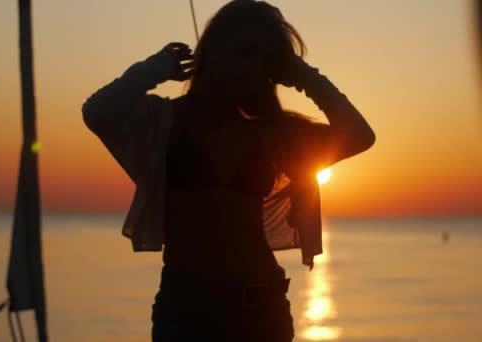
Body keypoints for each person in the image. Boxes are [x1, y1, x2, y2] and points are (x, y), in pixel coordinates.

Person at [82, 1, 375, 340]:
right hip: (186, 311)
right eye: (243, 51)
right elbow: (98, 112)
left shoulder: (273, 133)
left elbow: (359, 136)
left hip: (260, 308)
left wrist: (301, 74)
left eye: (262, 60)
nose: (249, 67)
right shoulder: (164, 122)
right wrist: (154, 68)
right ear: (214, 47)